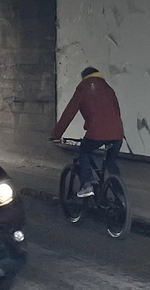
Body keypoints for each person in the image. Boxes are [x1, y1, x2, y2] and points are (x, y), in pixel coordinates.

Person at [51, 67, 124, 198]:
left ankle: (87, 184)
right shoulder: (108, 89)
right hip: (117, 135)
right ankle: (120, 193)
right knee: (111, 163)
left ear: (84, 77)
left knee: (84, 151)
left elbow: (69, 113)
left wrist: (56, 135)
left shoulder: (83, 88)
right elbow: (116, 112)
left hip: (97, 134)